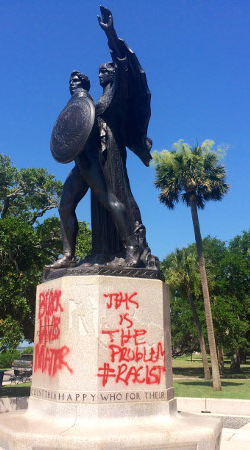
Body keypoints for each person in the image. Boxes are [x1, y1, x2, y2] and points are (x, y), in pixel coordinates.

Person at [48, 6, 156, 269]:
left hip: (110, 155)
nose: (100, 74)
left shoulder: (116, 95)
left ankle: (131, 246)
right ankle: (68, 255)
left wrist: (111, 35)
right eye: (98, 71)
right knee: (65, 205)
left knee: (110, 197)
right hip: (86, 157)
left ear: (114, 74)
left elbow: (123, 63)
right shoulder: (93, 101)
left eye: (104, 71)